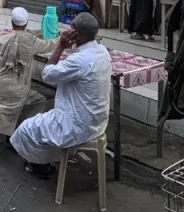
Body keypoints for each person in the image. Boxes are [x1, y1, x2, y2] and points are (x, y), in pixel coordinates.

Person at [10, 13, 112, 177]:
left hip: (76, 125)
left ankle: (39, 166)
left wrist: (60, 46)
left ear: (76, 33)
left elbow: (47, 74)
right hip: (97, 122)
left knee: (26, 128)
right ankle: (48, 159)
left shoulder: (79, 60)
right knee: (43, 124)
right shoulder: (102, 51)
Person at [0, 7, 57, 140]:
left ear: (12, 22)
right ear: (26, 23)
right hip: (17, 94)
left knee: (22, 97)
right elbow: (49, 45)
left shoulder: (1, 40)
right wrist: (61, 40)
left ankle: (10, 130)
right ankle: (20, 134)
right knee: (39, 101)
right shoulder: (31, 41)